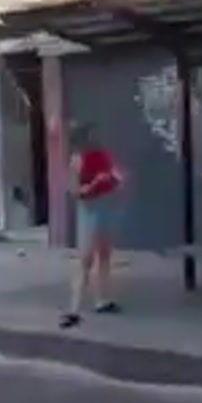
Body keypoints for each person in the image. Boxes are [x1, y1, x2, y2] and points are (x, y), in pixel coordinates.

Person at [60, 123, 123, 329]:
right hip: (90, 210)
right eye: (91, 136)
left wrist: (114, 179)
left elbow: (118, 179)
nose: (95, 139)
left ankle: (102, 300)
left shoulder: (103, 156)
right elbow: (75, 192)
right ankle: (74, 309)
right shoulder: (77, 160)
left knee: (104, 255)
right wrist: (96, 182)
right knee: (86, 259)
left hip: (106, 207)